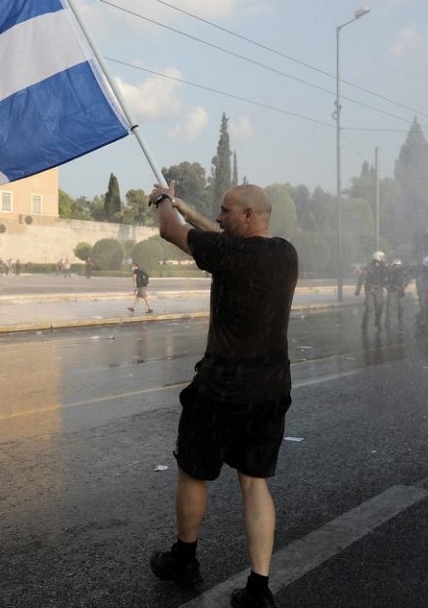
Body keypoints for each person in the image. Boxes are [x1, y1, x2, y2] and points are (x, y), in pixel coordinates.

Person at [147, 180, 298, 608]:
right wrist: (184, 206)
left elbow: (169, 231)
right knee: (255, 483)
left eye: (226, 210)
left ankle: (184, 558)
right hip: (270, 388)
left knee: (194, 473)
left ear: (248, 216)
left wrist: (161, 201)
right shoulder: (286, 253)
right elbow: (209, 233)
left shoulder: (227, 255)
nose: (217, 216)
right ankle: (259, 588)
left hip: (220, 388)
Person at [354, 251, 387, 330]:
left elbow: (386, 278)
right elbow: (361, 278)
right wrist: (358, 290)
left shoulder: (383, 267)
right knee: (369, 308)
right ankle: (364, 325)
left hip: (379, 289)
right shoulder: (369, 267)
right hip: (370, 289)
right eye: (382, 257)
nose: (383, 259)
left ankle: (377, 323)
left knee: (379, 308)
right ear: (377, 258)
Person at [384, 258, 408, 326]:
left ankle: (400, 319)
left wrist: (404, 286)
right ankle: (388, 320)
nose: (397, 267)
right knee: (390, 307)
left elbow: (407, 279)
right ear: (393, 266)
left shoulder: (403, 272)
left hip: (401, 291)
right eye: (396, 265)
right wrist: (389, 287)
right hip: (392, 291)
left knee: (401, 306)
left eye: (399, 265)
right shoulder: (389, 273)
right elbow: (385, 282)